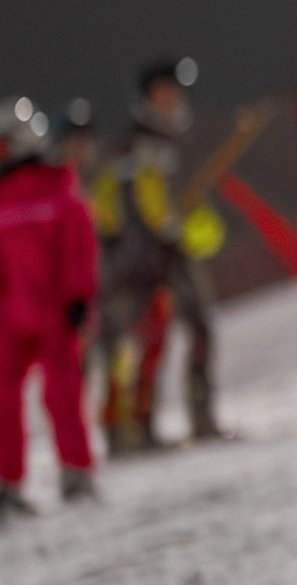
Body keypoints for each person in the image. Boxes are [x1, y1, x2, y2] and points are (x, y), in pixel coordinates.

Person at [0, 98, 99, 516]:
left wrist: (79, 297)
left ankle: (76, 471)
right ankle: (6, 484)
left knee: (62, 394)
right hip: (11, 320)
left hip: (54, 314)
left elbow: (78, 251)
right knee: (1, 399)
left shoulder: (59, 189)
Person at [92, 56, 224, 450]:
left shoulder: (175, 142)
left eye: (175, 91)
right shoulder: (133, 146)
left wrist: (192, 225)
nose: (172, 99)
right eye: (164, 91)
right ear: (148, 97)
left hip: (172, 250)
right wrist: (161, 227)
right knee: (136, 342)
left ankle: (201, 418)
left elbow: (185, 201)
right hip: (139, 258)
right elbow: (129, 206)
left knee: (197, 328)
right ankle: (129, 430)